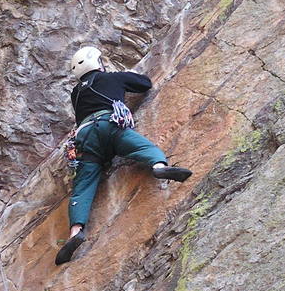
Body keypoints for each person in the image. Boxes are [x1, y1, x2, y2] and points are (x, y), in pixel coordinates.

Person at [55, 46, 192, 265]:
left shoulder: (76, 93)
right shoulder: (111, 78)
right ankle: (158, 166)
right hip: (110, 125)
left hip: (86, 138)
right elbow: (144, 84)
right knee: (141, 147)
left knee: (82, 186)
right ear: (97, 63)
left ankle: (75, 232)